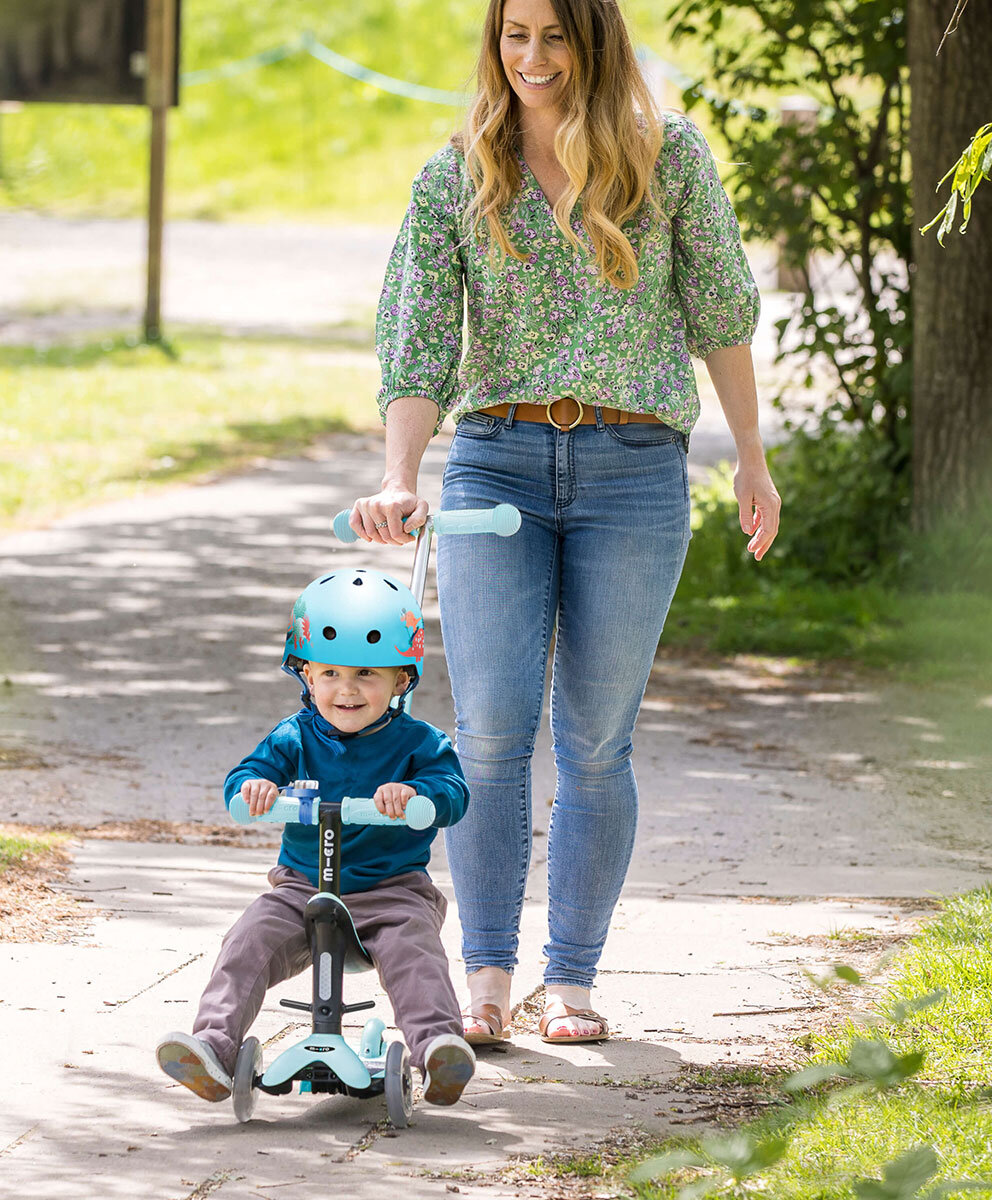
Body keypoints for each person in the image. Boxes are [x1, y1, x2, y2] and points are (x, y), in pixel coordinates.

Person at [349, 0, 781, 1047]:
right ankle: (487, 977)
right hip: (496, 465)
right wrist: (401, 476)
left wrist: (753, 464)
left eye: (553, 36)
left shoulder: (666, 156)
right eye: (513, 36)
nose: (532, 58)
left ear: (594, 42)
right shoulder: (459, 171)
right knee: (491, 733)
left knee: (596, 741)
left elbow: (720, 318)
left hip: (635, 471)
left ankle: (572, 979)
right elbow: (416, 343)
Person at [156, 568, 477, 1106]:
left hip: (390, 890)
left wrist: (416, 797)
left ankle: (437, 1050)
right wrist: (255, 788)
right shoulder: (292, 736)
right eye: (329, 672)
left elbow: (452, 791)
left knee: (414, 949)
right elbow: (244, 777)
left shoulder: (421, 742)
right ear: (305, 674)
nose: (346, 689)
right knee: (247, 941)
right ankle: (213, 1045)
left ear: (402, 679)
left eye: (367, 674)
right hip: (300, 888)